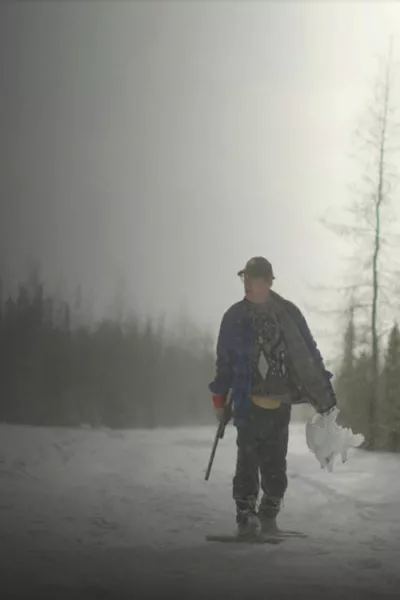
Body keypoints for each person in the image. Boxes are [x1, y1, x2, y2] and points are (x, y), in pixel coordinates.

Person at [208, 256, 337, 537]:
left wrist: (324, 394)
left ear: (268, 282)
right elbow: (224, 361)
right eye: (244, 279)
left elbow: (308, 353)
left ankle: (269, 513)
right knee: (248, 458)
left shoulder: (288, 314)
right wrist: (219, 399)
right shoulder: (234, 317)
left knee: (275, 462)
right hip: (246, 400)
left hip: (279, 402)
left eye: (253, 279)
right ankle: (246, 514)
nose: (247, 285)